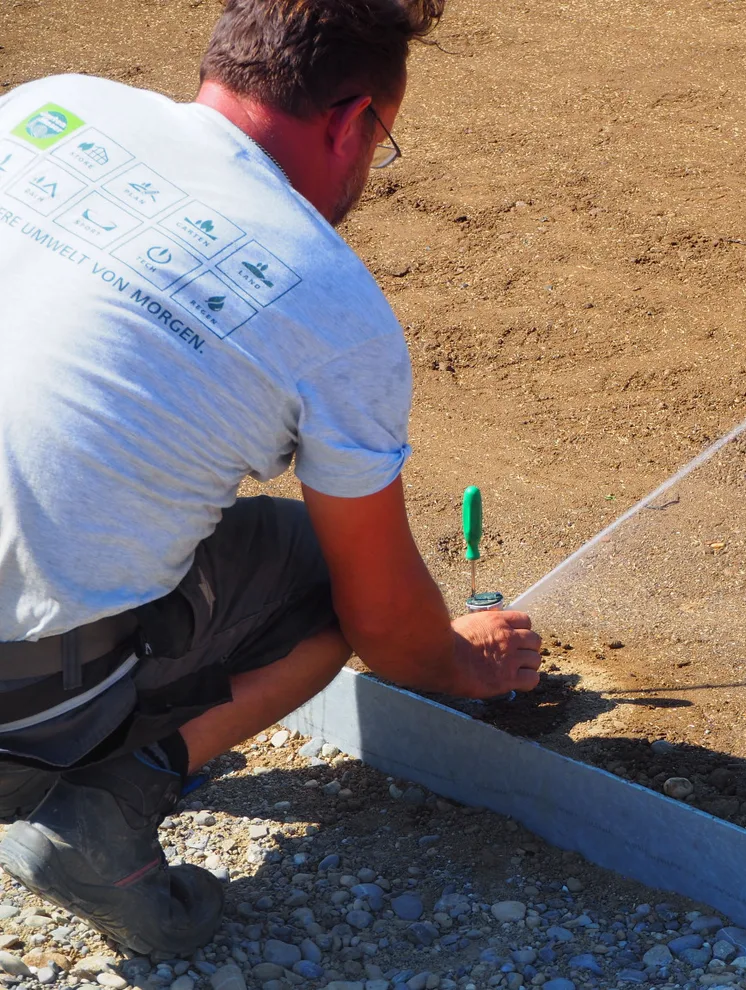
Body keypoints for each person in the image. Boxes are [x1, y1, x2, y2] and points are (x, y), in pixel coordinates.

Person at [0, 0, 543, 956]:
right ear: (351, 120)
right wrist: (466, 663)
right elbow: (384, 622)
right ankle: (108, 805)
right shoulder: (332, 306)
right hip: (15, 716)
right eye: (381, 143)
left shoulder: (48, 107)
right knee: (321, 573)